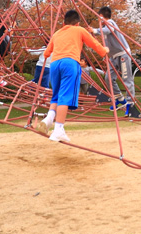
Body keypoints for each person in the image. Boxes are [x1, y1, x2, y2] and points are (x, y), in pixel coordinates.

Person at [37, 9, 108, 142]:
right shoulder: (79, 30)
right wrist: (104, 51)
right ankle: (58, 129)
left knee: (56, 95)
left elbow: (47, 53)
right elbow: (94, 44)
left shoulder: (57, 33)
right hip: (69, 63)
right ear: (77, 23)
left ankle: (49, 118)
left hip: (54, 64)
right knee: (65, 96)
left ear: (64, 23)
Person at [97, 6, 134, 116]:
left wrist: (95, 31)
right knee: (108, 78)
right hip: (113, 57)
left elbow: (108, 30)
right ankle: (120, 99)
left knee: (127, 79)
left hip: (123, 54)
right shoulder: (105, 31)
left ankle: (130, 104)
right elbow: (108, 45)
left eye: (99, 17)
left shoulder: (110, 23)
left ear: (102, 16)